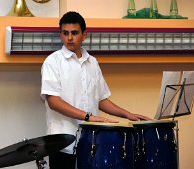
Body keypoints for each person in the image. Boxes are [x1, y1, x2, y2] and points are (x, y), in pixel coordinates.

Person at [41, 11, 150, 169]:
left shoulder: (92, 62)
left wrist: (127, 114)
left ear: (84, 35)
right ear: (60, 34)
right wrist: (88, 117)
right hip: (62, 142)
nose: (69, 38)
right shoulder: (52, 62)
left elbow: (101, 99)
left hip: (91, 141)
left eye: (74, 33)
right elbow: (54, 102)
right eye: (65, 33)